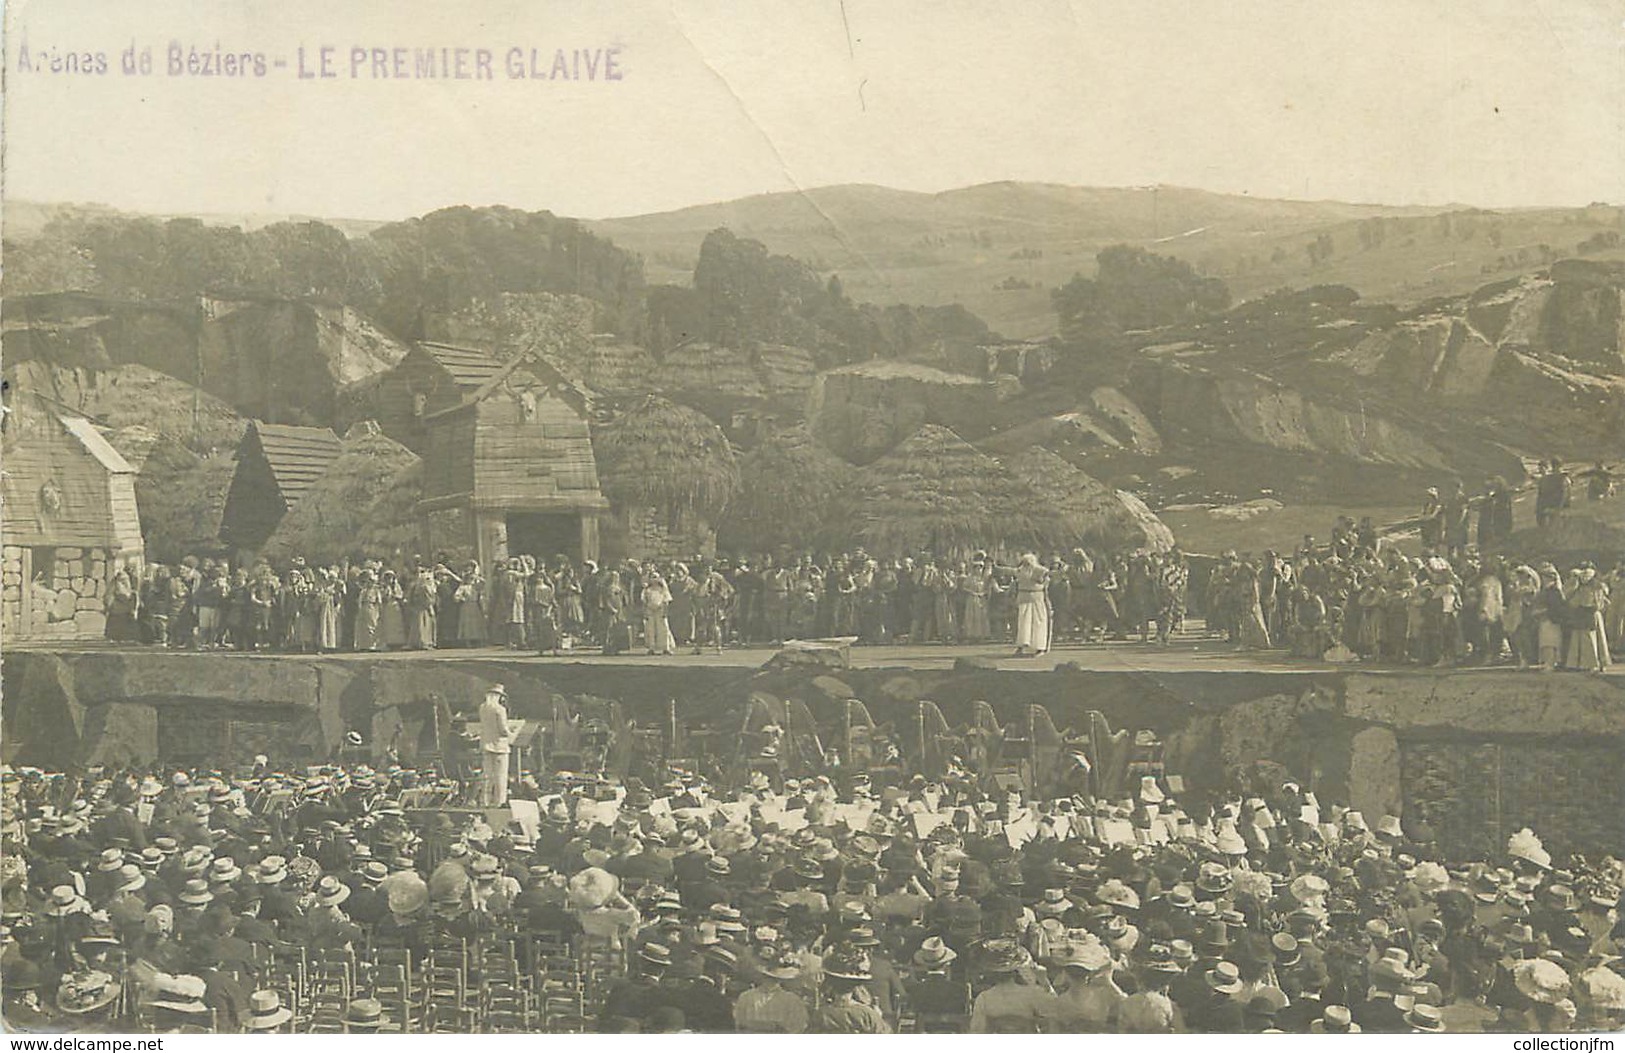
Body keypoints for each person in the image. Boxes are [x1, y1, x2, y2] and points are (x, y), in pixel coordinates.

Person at [478, 683, 520, 806]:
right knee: (500, 776)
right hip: (500, 747)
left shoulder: (482, 707)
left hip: (486, 745)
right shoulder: (500, 709)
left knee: (487, 775)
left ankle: (484, 801)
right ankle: (499, 802)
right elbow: (503, 730)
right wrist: (513, 731)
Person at [1012, 554, 1051, 658]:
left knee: (1038, 622)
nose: (1026, 565)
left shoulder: (1039, 570)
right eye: (1024, 562)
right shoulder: (1020, 571)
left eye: (1028, 563)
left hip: (1037, 599)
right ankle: (1021, 645)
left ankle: (1040, 647)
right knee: (1023, 623)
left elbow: (1046, 576)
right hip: (1024, 598)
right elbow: (1010, 571)